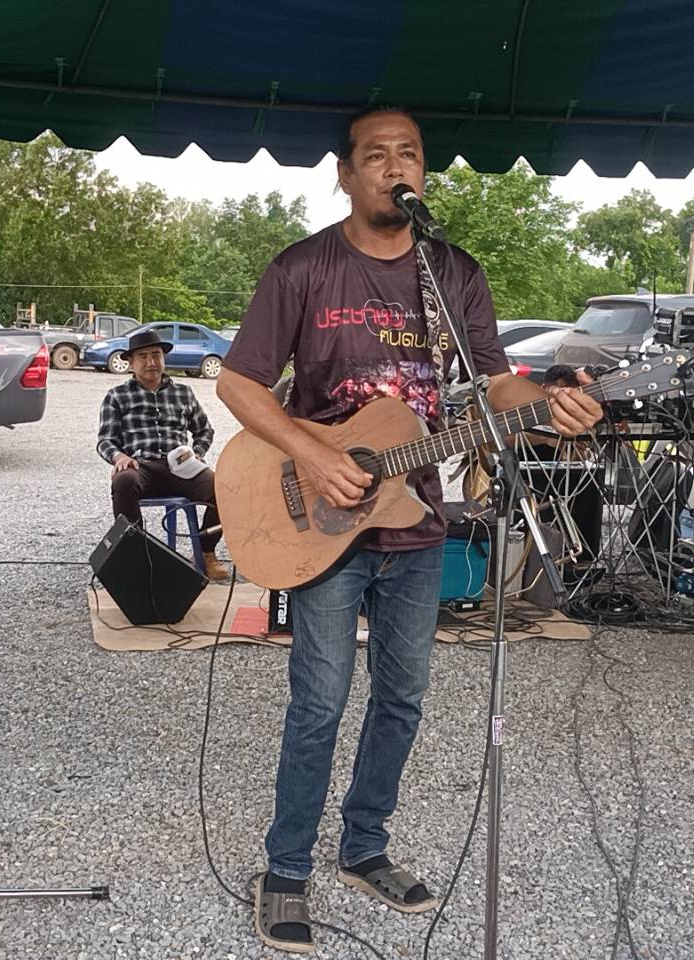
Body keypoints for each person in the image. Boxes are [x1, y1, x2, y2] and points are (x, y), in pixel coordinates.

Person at [216, 106, 604, 953]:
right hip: (321, 519)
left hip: (416, 517)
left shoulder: (452, 272)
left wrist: (547, 404)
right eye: (376, 155)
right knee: (319, 702)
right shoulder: (303, 268)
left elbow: (492, 386)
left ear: (424, 173)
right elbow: (239, 384)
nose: (396, 167)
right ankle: (286, 869)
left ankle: (364, 848)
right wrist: (314, 455)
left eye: (411, 154)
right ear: (346, 174)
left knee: (403, 696)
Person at [96, 327, 229, 580]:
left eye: (156, 355)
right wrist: (119, 457)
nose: (151, 362)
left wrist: (197, 453)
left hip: (180, 466)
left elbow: (204, 430)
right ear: (131, 362)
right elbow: (105, 440)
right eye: (143, 356)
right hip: (141, 466)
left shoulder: (183, 393)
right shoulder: (117, 396)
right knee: (123, 481)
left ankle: (206, 552)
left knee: (222, 488)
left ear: (163, 358)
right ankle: (136, 556)